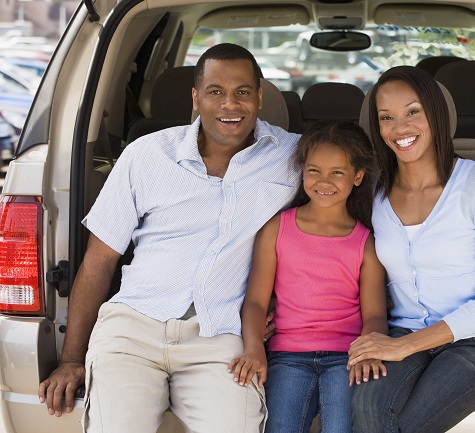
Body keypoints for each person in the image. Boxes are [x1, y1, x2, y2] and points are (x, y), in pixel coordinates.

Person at [37, 43, 301, 433]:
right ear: (196, 98)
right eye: (215, 92)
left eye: (242, 92)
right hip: (132, 327)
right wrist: (72, 358)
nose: (230, 105)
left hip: (222, 336)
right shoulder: (147, 155)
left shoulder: (294, 156)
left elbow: (335, 228)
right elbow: (99, 260)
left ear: (260, 96)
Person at [348, 66, 475, 433]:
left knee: (398, 426)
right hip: (402, 334)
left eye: (412, 112)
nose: (400, 128)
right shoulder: (374, 194)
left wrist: (401, 348)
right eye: (386, 118)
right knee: (366, 409)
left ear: (436, 114)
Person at [228, 120, 388, 433]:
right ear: (302, 171)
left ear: (358, 176)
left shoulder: (366, 243)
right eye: (314, 170)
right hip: (288, 355)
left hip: (347, 357)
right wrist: (253, 348)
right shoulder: (276, 228)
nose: (323, 181)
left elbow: (375, 315)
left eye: (337, 172)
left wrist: (370, 348)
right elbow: (256, 302)